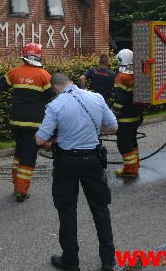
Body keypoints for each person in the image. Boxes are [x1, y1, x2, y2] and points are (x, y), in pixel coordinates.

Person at [36, 72, 118, 271]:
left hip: (67, 162)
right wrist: (94, 131)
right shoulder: (96, 97)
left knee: (67, 211)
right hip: (92, 160)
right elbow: (113, 127)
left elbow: (40, 139)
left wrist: (52, 140)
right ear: (71, 82)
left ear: (56, 87)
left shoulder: (55, 105)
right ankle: (108, 260)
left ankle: (71, 262)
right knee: (100, 209)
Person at [0, 43, 55, 202]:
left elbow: (0, 85)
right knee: (29, 157)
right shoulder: (44, 75)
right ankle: (21, 192)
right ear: (39, 56)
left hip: (15, 121)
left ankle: (17, 183)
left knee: (19, 152)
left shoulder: (14, 72)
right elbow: (51, 97)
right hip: (34, 123)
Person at [112, 49, 142, 178]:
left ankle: (130, 170)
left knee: (124, 143)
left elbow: (119, 99)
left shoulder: (121, 77)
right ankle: (135, 164)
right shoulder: (137, 75)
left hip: (125, 118)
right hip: (136, 116)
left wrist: (113, 113)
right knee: (132, 140)